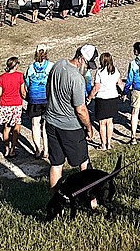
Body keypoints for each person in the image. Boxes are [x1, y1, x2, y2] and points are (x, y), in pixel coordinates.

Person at [46, 46, 95, 189]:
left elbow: (48, 89)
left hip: (51, 122)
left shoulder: (58, 65)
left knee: (56, 164)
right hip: (70, 127)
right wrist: (89, 127)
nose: (87, 69)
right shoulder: (77, 79)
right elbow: (81, 110)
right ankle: (90, 199)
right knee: (84, 161)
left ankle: (56, 204)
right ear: (80, 58)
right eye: (87, 65)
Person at [0, 56, 28, 157]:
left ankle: (6, 149)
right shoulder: (20, 76)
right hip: (16, 104)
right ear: (16, 65)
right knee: (16, 127)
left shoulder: (2, 77)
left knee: (6, 127)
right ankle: (13, 149)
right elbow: (23, 92)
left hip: (4, 104)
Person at [24, 45, 52, 159]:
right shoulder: (50, 66)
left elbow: (27, 83)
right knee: (45, 125)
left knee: (35, 125)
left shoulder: (31, 67)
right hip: (46, 97)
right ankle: (46, 150)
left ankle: (37, 149)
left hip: (34, 98)